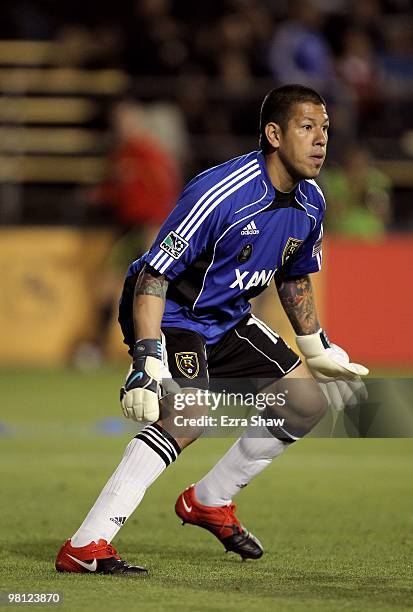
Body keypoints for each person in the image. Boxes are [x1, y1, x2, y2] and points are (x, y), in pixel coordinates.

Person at [56, 84, 368, 575]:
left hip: (226, 318)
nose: (320, 140)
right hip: (172, 311)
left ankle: (209, 500)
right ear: (273, 134)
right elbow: (154, 274)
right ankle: (86, 544)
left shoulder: (311, 203)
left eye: (324, 129)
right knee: (189, 413)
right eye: (307, 128)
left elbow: (293, 274)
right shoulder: (219, 192)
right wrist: (145, 359)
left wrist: (316, 346)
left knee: (306, 403)